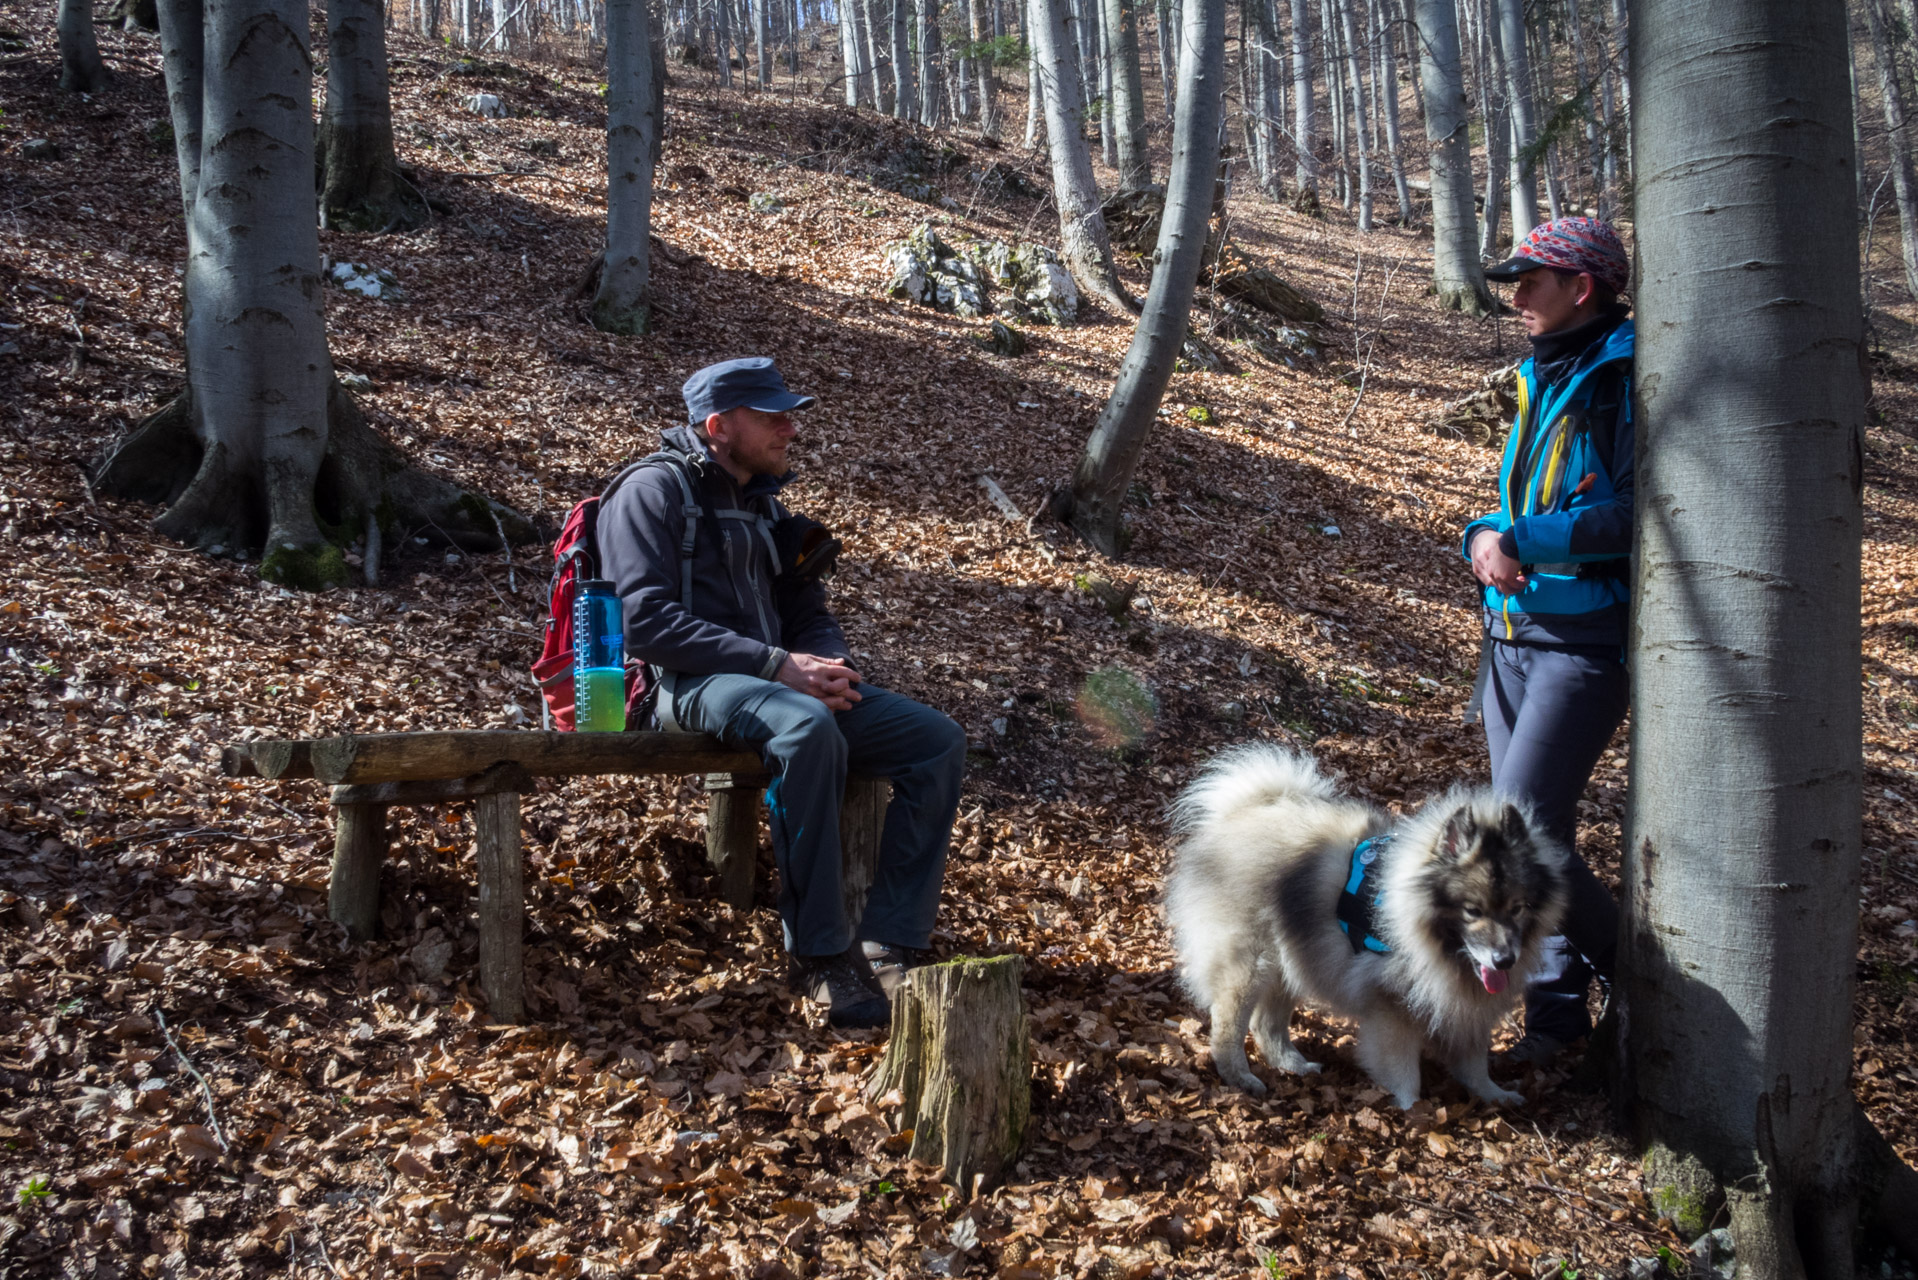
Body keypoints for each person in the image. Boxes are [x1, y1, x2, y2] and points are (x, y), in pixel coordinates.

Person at [598, 357, 968, 1030]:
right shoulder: (649, 493)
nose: (790, 429)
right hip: (684, 688)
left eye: (789, 415)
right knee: (805, 728)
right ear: (718, 426)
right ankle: (823, 954)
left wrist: (829, 662)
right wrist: (777, 666)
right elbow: (646, 624)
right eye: (772, 417)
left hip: (778, 682)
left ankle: (890, 941)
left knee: (933, 741)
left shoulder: (765, 505)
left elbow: (807, 610)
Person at [1462, 218, 1634, 1065]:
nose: (1516, 295)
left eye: (1532, 281)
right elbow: (1510, 503)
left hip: (1582, 643)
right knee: (1541, 836)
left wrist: (1521, 541)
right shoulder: (1542, 372)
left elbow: (1636, 512)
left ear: (1583, 288)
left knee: (1520, 835)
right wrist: (1480, 538)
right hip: (1511, 639)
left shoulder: (1624, 373)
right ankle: (1560, 1022)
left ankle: (1645, 980)